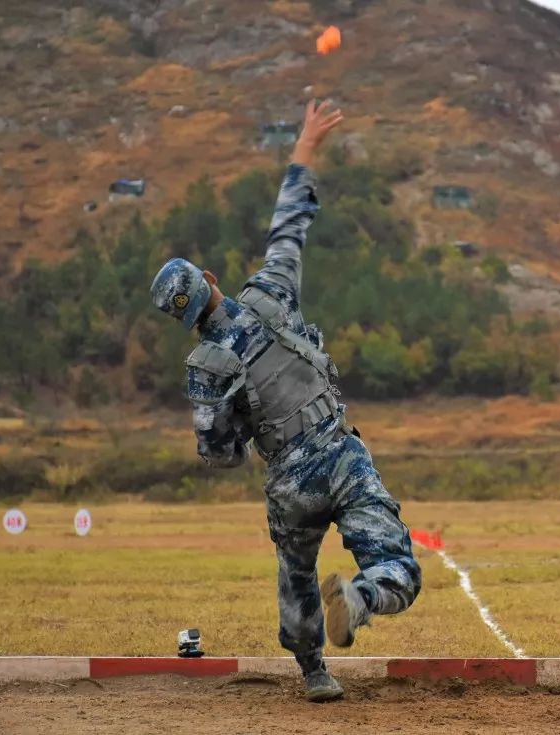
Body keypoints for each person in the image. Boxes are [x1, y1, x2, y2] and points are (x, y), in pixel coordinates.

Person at [149, 99, 421, 701]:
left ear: (184, 320)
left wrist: (240, 419)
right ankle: (361, 597)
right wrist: (306, 145)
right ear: (212, 280)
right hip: (340, 455)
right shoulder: (270, 292)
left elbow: (221, 458)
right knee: (396, 562)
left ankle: (314, 672)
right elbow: (290, 223)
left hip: (289, 482)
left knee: (296, 574)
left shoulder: (205, 369)